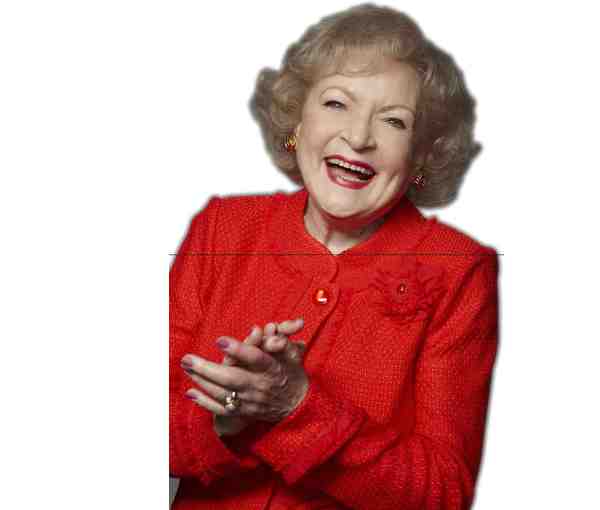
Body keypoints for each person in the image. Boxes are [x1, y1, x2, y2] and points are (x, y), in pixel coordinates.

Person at [169, 4, 499, 509]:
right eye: (337, 103)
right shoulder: (224, 228)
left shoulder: (458, 269)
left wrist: (296, 408)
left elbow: (442, 494)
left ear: (421, 155)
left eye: (394, 121)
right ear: (298, 121)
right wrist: (226, 419)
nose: (360, 137)